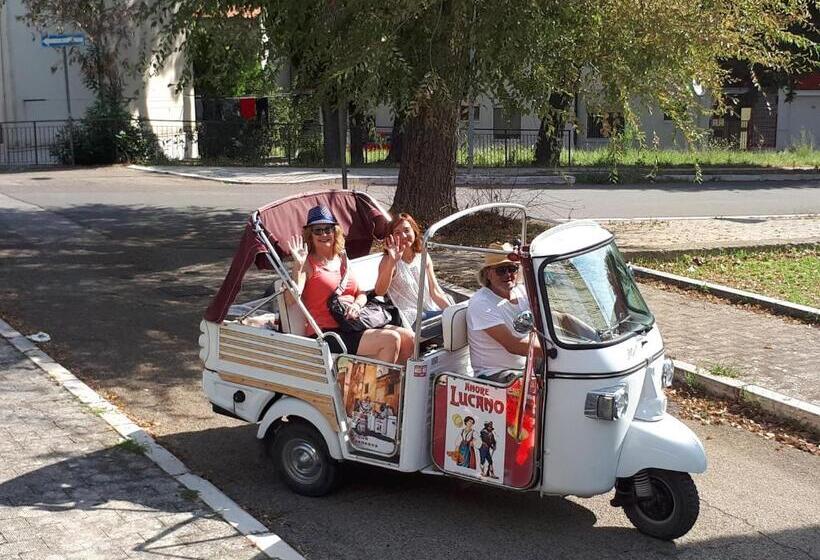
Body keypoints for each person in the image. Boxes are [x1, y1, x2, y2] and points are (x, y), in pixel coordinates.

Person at [286, 205, 413, 363]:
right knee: (390, 339)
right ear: (309, 235)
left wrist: (357, 306)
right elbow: (291, 299)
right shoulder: (307, 265)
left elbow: (360, 293)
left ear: (335, 231)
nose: (324, 234)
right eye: (317, 230)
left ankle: (398, 384)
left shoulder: (341, 259)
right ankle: (376, 387)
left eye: (328, 229)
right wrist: (297, 266)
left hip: (353, 324)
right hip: (328, 332)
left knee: (409, 338)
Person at [466, 242, 540, 376]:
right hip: (496, 375)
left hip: (527, 366)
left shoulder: (522, 291)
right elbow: (513, 345)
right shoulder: (481, 303)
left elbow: (548, 318)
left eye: (512, 268)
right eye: (501, 270)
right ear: (488, 274)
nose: (508, 274)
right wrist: (557, 350)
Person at [375, 213, 453, 327]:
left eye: (407, 230)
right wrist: (392, 262)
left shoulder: (423, 256)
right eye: (397, 233)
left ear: (414, 231)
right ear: (390, 237)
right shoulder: (388, 260)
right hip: (410, 317)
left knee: (458, 316)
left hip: (430, 310)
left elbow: (435, 292)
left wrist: (452, 311)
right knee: (451, 322)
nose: (403, 236)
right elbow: (379, 291)